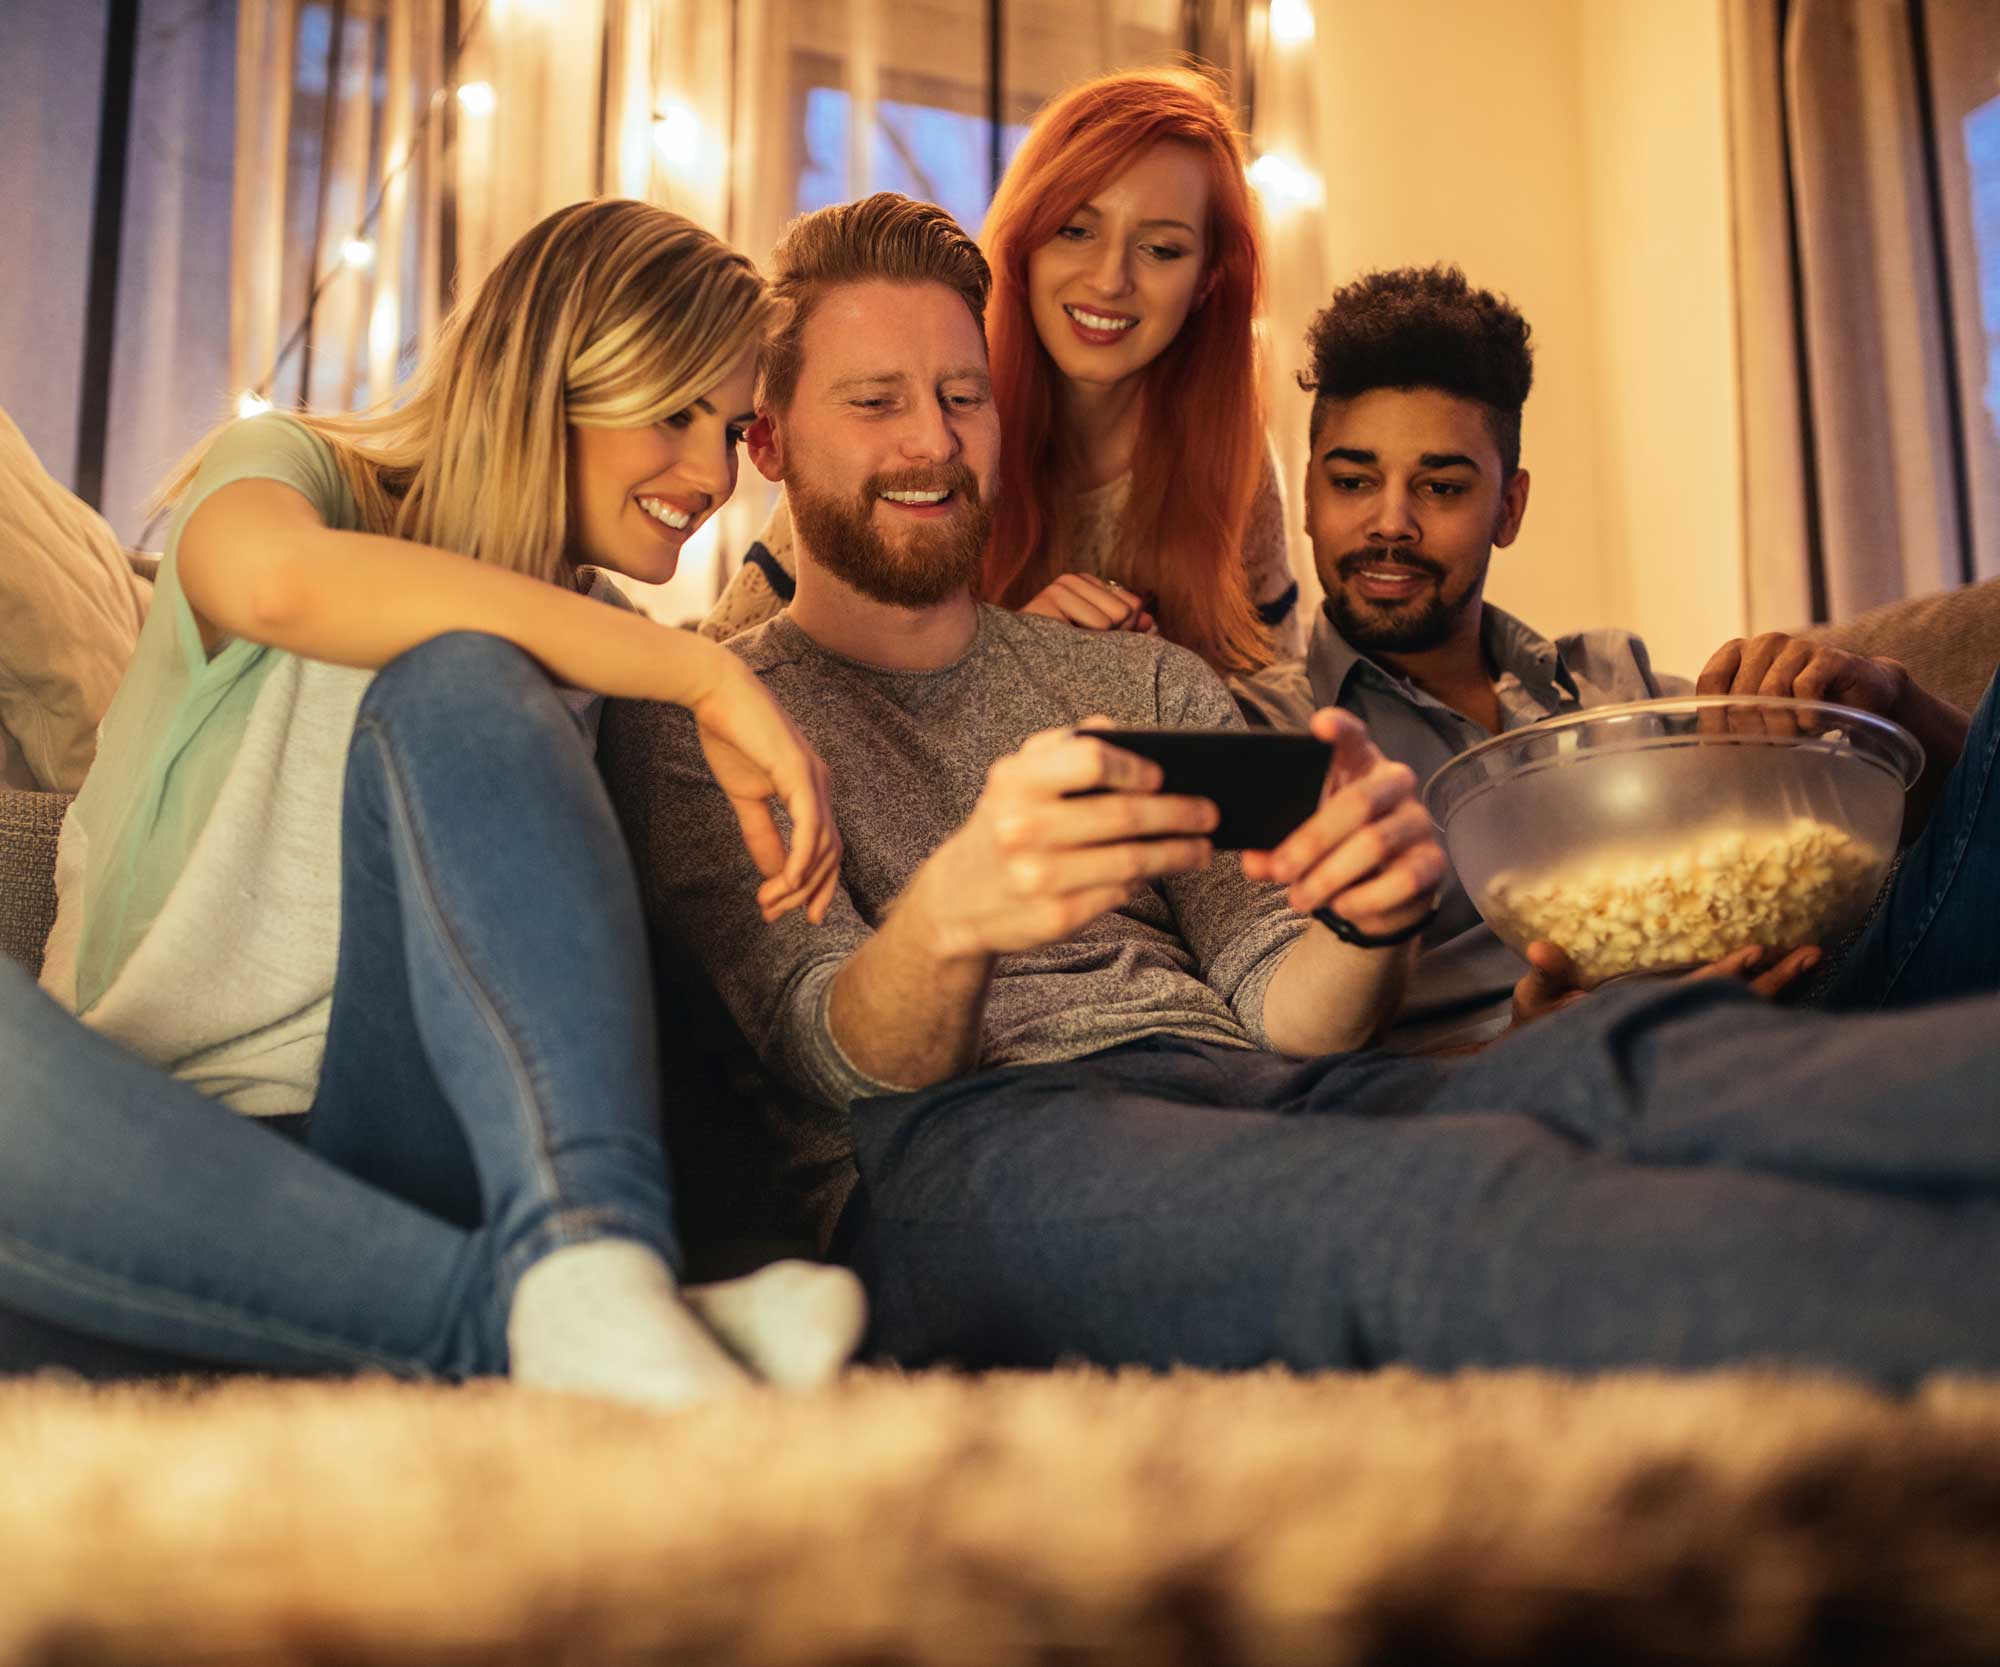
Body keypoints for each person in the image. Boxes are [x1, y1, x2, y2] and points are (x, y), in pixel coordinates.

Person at [601, 190, 2000, 1387]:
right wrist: (957, 912)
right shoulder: (702, 713)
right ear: (772, 443)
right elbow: (832, 1055)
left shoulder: (1139, 675)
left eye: (961, 395)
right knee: (1437, 1211)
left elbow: (1286, 1003)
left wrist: (1366, 912)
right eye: (875, 400)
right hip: (961, 1144)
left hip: (1263, 1085)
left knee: (1665, 1068)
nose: (933, 438)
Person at [0, 199, 865, 1405]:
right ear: (547, 373)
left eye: (732, 429)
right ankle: (552, 1314)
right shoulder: (298, 473)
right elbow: (276, 579)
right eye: (672, 412)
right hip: (138, 1165)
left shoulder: (600, 651)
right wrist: (700, 664)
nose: (713, 474)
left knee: (460, 679)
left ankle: (587, 1257)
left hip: (401, 1142)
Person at [1235, 265, 1974, 1048]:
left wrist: (1890, 698)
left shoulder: (1614, 681)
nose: (1391, 523)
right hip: (1506, 1103)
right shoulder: (1264, 728)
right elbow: (1274, 1050)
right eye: (1353, 481)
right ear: (1308, 499)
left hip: (1780, 1021)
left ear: (1508, 508)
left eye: (1442, 489)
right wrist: (1521, 1050)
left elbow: (1945, 831)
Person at [701, 69, 1301, 671]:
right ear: (1025, 243)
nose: (1109, 279)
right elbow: (714, 674)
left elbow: (1281, 701)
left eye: (1160, 249)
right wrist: (1013, 667)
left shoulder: (1233, 457)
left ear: (1208, 281)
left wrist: (1157, 686)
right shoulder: (913, 438)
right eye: (1076, 230)